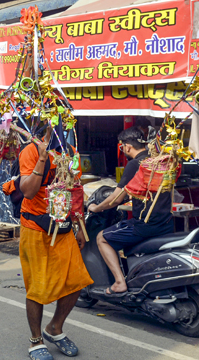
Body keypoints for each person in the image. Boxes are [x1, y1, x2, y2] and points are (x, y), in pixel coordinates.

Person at [19, 127, 92, 360]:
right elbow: (28, 191)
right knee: (38, 287)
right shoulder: (30, 150)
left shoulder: (70, 152)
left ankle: (54, 328)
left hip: (63, 227)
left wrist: (80, 226)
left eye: (62, 118)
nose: (59, 123)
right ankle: (35, 340)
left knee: (77, 281)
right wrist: (42, 158)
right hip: (35, 227)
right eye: (52, 118)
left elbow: (75, 191)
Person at [89, 127, 174, 295]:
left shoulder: (136, 164)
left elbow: (116, 198)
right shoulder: (156, 162)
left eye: (122, 147)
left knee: (102, 238)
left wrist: (96, 207)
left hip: (145, 225)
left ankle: (120, 283)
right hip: (165, 223)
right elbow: (140, 191)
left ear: (127, 146)